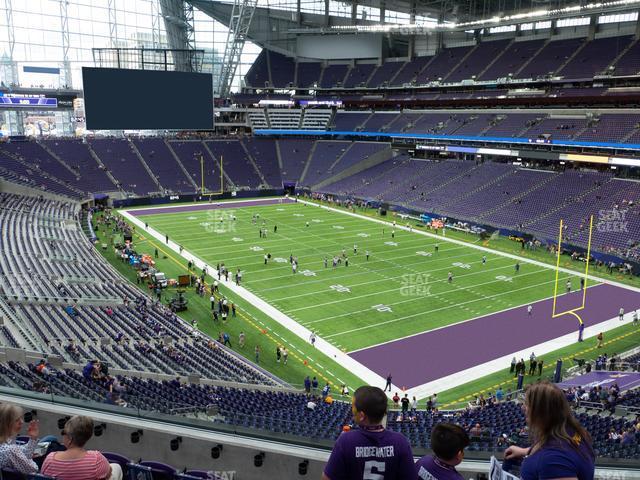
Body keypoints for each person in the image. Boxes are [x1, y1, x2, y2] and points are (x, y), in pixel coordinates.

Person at [504, 381, 595, 480]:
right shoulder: (569, 431)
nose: (523, 408)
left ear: (541, 411)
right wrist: (526, 451)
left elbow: (556, 458)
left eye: (527, 404)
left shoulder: (553, 459)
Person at [322, 386, 415, 480]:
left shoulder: (345, 441)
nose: (352, 409)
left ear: (362, 416)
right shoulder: (400, 442)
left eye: (353, 406)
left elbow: (327, 478)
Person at [42, 415, 122, 480]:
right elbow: (108, 475)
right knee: (116, 467)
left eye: (64, 432)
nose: (62, 435)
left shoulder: (50, 459)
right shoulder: (96, 459)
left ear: (70, 438)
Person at [0, 404, 39, 474]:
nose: (22, 422)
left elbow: (26, 453)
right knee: (50, 440)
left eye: (21, 418)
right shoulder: (10, 450)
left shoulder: (6, 442)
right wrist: (29, 460)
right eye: (17, 420)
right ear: (7, 424)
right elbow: (33, 469)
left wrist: (33, 438)